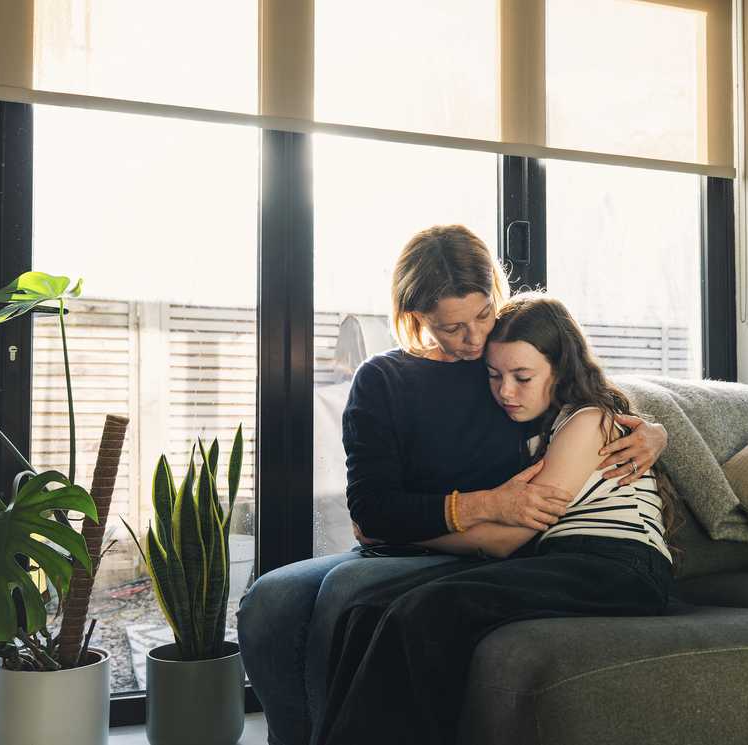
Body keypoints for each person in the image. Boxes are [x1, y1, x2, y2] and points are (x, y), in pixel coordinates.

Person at [237, 225, 669, 745]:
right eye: (452, 327)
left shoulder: (507, 359)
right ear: (416, 317)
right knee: (270, 599)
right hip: (404, 545)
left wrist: (656, 432)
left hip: (481, 548)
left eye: (483, 315)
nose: (474, 339)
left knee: (345, 594)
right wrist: (484, 505)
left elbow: (583, 390)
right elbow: (373, 512)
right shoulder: (385, 380)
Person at [313, 292, 683, 745]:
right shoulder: (537, 431)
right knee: (368, 609)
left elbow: (505, 541)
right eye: (494, 375)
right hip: (561, 562)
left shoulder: (586, 422)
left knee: (428, 611)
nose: (506, 391)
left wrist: (398, 536)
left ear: (560, 371)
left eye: (522, 377)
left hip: (617, 567)